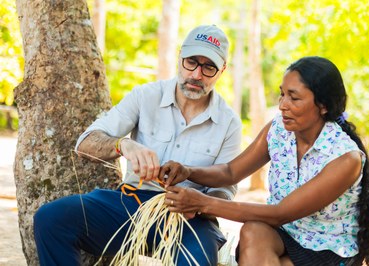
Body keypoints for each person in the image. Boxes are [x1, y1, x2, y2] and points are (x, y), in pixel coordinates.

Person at [33, 24, 242, 265]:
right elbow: (85, 143)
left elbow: (225, 190)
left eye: (209, 67)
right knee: (52, 218)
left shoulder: (229, 123)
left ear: (222, 70)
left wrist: (199, 204)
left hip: (191, 219)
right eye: (191, 62)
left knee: (198, 260)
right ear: (179, 57)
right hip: (130, 204)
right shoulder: (145, 96)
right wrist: (125, 146)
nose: (196, 74)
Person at [161, 56, 369, 266]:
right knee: (253, 231)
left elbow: (280, 213)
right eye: (282, 94)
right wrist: (188, 172)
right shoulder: (279, 131)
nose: (282, 105)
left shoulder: (344, 158)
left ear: (323, 106)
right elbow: (230, 172)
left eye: (294, 98)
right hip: (285, 234)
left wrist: (203, 203)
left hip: (328, 250)